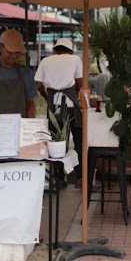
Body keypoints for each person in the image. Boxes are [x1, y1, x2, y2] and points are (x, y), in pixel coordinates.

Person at [35, 38, 84, 186]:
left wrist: (48, 97)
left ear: (55, 49)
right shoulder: (75, 59)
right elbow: (80, 85)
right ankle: (80, 177)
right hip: (71, 106)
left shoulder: (45, 61)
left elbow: (38, 85)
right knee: (78, 141)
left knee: (57, 142)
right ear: (70, 50)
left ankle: (59, 178)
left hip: (54, 106)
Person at [0, 29, 38, 120]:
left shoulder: (27, 73)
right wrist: (2, 123)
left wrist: (30, 123)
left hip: (22, 128)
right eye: (10, 52)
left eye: (17, 53)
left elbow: (30, 103)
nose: (13, 56)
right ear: (0, 48)